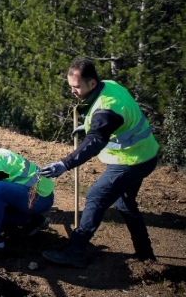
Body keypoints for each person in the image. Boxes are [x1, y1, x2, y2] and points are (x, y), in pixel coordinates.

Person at [40, 58, 160, 268]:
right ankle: (146, 255)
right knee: (124, 202)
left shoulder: (107, 108)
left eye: (76, 86)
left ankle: (75, 251)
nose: (73, 91)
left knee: (96, 196)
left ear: (92, 83)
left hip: (131, 161)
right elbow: (106, 125)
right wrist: (89, 127)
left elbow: (96, 141)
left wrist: (64, 164)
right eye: (70, 86)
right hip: (145, 154)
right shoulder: (109, 86)